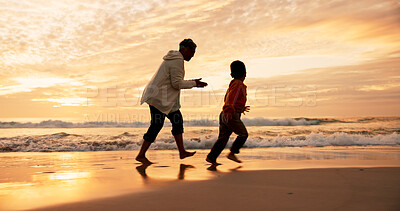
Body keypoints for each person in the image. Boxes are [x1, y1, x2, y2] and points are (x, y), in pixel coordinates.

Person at [136, 39, 207, 164]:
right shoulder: (177, 60)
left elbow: (174, 81)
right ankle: (141, 155)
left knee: (177, 121)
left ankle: (182, 152)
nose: (193, 54)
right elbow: (176, 84)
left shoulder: (175, 59)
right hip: (159, 98)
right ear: (184, 49)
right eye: (192, 51)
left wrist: (193, 81)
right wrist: (194, 83)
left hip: (166, 99)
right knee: (156, 125)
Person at [206, 60, 249, 165]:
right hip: (230, 114)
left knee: (223, 138)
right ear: (244, 73)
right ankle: (232, 153)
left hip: (224, 114)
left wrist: (240, 108)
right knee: (243, 134)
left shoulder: (233, 84)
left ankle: (212, 157)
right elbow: (230, 99)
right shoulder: (239, 85)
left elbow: (230, 99)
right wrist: (230, 111)